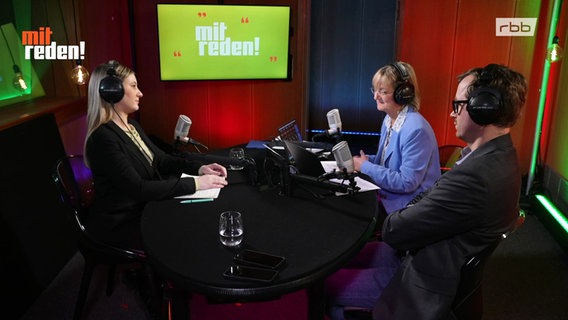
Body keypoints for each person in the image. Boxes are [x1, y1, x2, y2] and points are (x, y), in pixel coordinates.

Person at [373, 63, 527, 319]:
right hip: (436, 261)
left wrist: (412, 207)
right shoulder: (500, 156)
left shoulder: (476, 176)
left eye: (458, 105)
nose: (452, 113)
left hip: (422, 282)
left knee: (331, 284)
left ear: (483, 108)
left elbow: (392, 231)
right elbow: (432, 195)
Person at [325, 62, 440, 319]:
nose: (376, 96)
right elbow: (390, 161)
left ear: (403, 93)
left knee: (329, 285)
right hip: (393, 214)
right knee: (340, 259)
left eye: (383, 91)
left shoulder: (415, 128)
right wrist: (371, 161)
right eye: (374, 90)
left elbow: (407, 182)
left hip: (409, 221)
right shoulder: (391, 120)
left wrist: (366, 167)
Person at [84, 60, 228, 251]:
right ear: (112, 91)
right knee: (191, 230)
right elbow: (139, 188)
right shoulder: (103, 138)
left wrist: (199, 169)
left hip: (145, 207)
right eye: (134, 86)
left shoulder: (132, 126)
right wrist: (196, 184)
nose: (140, 93)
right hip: (123, 222)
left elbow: (162, 160)